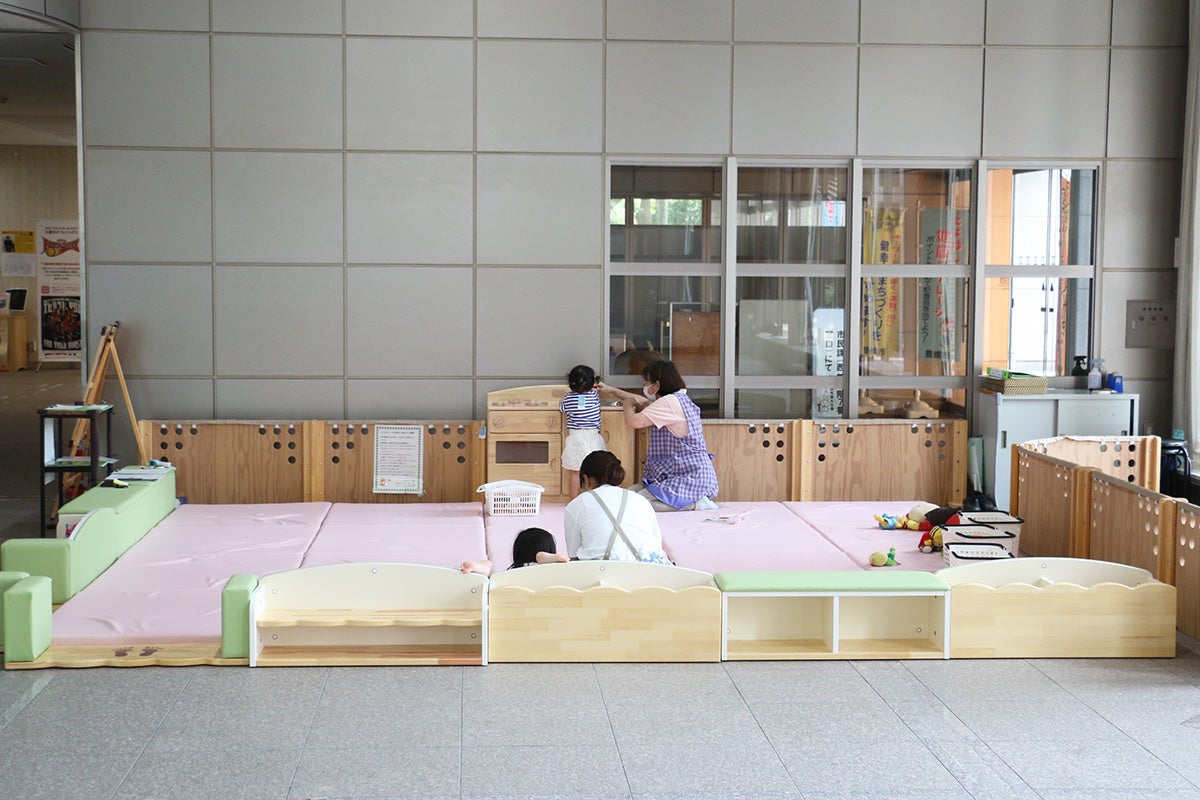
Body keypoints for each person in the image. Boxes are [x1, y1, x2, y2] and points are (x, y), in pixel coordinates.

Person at [597, 360, 718, 511]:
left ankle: (697, 504)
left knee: (634, 503)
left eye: (647, 382)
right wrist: (609, 389)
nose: (644, 385)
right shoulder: (677, 400)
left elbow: (634, 421)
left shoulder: (668, 403)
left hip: (689, 480)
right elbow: (641, 401)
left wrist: (627, 404)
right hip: (686, 474)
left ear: (657, 385)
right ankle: (694, 502)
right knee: (628, 495)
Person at [564, 450, 669, 563]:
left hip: (603, 570)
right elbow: (657, 545)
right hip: (651, 568)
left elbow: (574, 557)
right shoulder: (641, 500)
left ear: (586, 479)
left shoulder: (577, 504)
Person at [560, 364, 607, 499]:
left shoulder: (568, 398)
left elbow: (562, 408)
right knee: (595, 472)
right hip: (594, 437)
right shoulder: (594, 395)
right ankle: (594, 500)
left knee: (575, 472)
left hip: (576, 438)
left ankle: (573, 501)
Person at [461, 526, 568, 576]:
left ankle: (486, 570)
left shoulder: (512, 574)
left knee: (491, 583)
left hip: (511, 587)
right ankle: (547, 562)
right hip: (543, 589)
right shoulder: (550, 576)